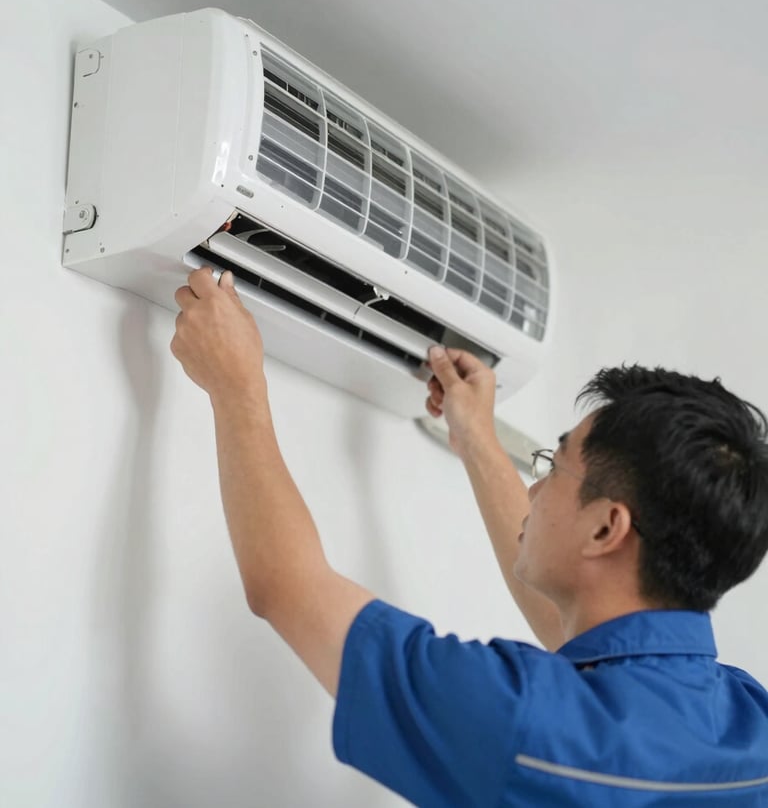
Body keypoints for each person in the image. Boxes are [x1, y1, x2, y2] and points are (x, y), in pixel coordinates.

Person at [171, 266, 768, 807]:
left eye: (552, 466)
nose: (535, 491)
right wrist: (477, 439)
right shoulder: (748, 723)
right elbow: (583, 628)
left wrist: (236, 384)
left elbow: (287, 588)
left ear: (608, 526)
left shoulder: (522, 725)